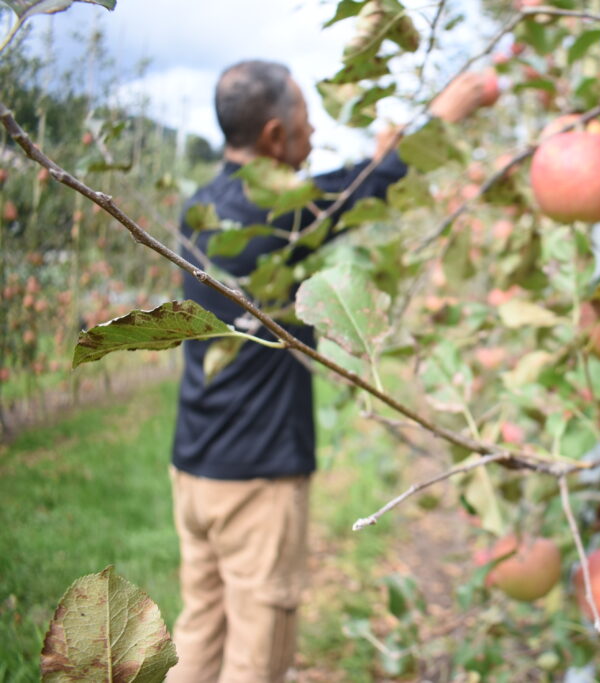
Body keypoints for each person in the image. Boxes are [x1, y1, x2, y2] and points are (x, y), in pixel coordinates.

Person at [166, 59, 485, 683]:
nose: (313, 139)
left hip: (195, 465)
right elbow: (367, 185)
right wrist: (441, 118)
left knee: (201, 626)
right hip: (257, 480)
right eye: (306, 124)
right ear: (274, 138)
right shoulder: (277, 214)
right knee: (257, 652)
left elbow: (344, 186)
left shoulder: (201, 208)